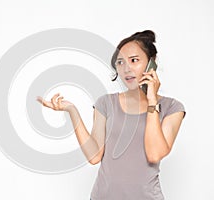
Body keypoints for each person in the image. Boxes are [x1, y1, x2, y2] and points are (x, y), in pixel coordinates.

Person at [37, 30, 186, 200]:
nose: (126, 68)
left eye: (134, 60)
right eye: (120, 62)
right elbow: (94, 157)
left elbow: (154, 154)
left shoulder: (172, 108)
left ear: (151, 63)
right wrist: (72, 111)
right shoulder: (106, 103)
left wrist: (152, 100)